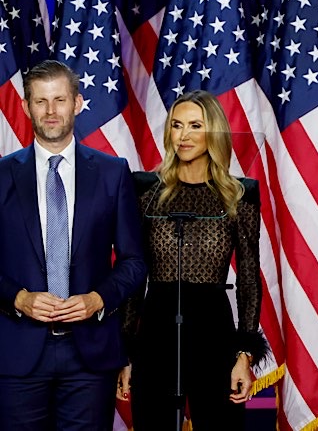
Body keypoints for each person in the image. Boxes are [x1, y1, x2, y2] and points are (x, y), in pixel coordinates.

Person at [0, 60, 147, 430]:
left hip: (89, 354)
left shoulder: (113, 173)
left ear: (77, 103)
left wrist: (98, 298)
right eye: (41, 101)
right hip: (16, 353)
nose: (51, 111)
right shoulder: (1, 174)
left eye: (60, 100)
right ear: (27, 106)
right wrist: (18, 298)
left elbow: (134, 261)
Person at [118, 90, 265, 430]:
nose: (183, 136)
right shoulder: (144, 190)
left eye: (195, 126)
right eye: (176, 125)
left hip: (214, 332)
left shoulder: (239, 194)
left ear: (213, 132)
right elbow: (133, 275)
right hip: (156, 331)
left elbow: (248, 279)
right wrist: (124, 353)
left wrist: (244, 356)